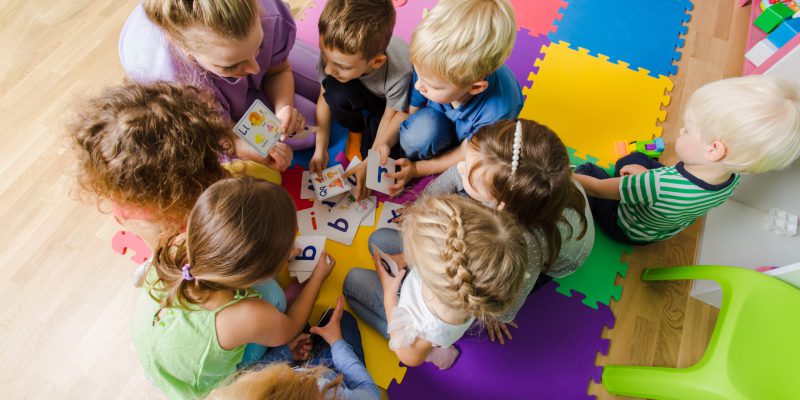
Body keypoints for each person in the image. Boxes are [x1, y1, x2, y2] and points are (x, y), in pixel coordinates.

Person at [132, 177, 335, 399]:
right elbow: (292, 327)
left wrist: (275, 253)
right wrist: (317, 278)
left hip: (159, 355)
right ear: (258, 271)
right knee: (276, 298)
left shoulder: (179, 244)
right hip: (202, 387)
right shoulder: (248, 316)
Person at [424, 119, 595, 343]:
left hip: (555, 259)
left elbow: (516, 288)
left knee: (479, 297)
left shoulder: (522, 243)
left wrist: (501, 317)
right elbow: (454, 176)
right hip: (544, 215)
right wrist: (425, 205)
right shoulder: (517, 171)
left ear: (499, 205)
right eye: (467, 158)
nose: (460, 167)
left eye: (469, 175)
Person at [574, 75, 800, 244]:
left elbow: (598, 189)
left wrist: (564, 174)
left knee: (589, 172)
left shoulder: (657, 183)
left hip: (625, 227)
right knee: (635, 160)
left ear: (713, 150)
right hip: (658, 230)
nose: (681, 130)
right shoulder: (731, 179)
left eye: (688, 130)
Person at [344, 195, 527, 370]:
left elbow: (408, 358)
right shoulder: (478, 269)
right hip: (425, 290)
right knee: (377, 239)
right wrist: (406, 257)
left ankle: (432, 352)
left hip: (410, 321)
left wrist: (389, 295)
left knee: (350, 283)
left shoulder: (428, 326)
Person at [119, 0, 306, 165]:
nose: (256, 68)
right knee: (290, 141)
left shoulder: (268, 13)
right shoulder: (171, 81)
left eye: (259, 46)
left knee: (308, 124)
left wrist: (284, 107)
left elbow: (278, 70)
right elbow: (216, 135)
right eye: (232, 65)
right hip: (197, 104)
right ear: (187, 51)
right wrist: (244, 148)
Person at [387, 0, 523, 195]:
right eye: (418, 73)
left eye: (432, 86)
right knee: (418, 132)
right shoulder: (430, 63)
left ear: (475, 87)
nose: (418, 85)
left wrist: (417, 170)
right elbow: (410, 113)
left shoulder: (501, 108)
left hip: (471, 145)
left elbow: (467, 151)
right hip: (437, 124)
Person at [312, 0, 413, 200]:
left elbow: (391, 116)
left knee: (383, 158)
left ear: (377, 62)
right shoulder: (334, 54)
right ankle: (355, 130)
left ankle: (365, 141)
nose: (330, 69)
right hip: (356, 87)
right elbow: (324, 97)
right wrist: (320, 149)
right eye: (325, 57)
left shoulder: (399, 72)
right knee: (334, 90)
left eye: (342, 66)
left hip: (385, 105)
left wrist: (370, 161)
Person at [208, 296, 380, 400]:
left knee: (301, 327)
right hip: (333, 379)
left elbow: (254, 375)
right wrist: (336, 341)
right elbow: (367, 388)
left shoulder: (238, 393)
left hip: (307, 374)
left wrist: (285, 353)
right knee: (340, 319)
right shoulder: (331, 393)